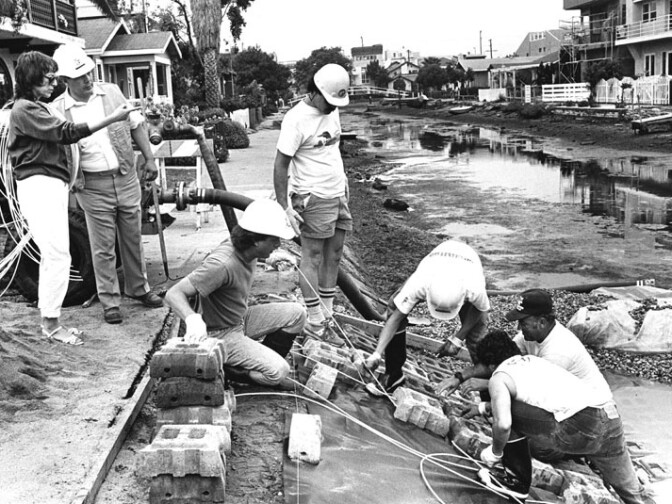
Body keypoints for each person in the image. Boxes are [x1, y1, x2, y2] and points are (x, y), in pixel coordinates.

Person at [8, 51, 138, 345]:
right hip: (39, 186)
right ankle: (51, 324)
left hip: (50, 185)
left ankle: (50, 320)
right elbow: (66, 133)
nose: (53, 83)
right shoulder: (24, 110)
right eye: (48, 78)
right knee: (56, 255)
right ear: (31, 80)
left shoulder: (35, 107)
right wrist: (112, 118)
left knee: (58, 255)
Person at [472, 330, 655, 504]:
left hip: (582, 424)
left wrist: (495, 452)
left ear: (491, 365)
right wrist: (483, 408)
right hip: (610, 418)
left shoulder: (500, 376)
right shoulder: (534, 361)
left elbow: (504, 425)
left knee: (506, 411)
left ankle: (516, 483)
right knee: (632, 491)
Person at [51, 43, 162, 325]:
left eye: (89, 72)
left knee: (132, 238)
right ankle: (110, 301)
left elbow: (136, 125)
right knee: (102, 246)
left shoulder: (111, 92)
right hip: (92, 184)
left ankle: (139, 289)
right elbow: (56, 149)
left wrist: (149, 160)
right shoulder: (58, 110)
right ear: (66, 80)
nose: (88, 79)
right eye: (80, 76)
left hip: (125, 176)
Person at [437, 288, 614, 462]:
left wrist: (484, 404)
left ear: (542, 321)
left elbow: (535, 397)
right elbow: (500, 358)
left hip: (586, 417)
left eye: (523, 322)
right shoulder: (529, 335)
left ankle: (578, 451)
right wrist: (460, 377)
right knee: (499, 393)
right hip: (564, 406)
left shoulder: (558, 352)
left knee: (534, 447)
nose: (519, 328)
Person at [164, 199, 307, 387]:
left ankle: (257, 361)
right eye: (274, 240)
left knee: (297, 314)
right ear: (256, 240)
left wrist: (271, 259)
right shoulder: (222, 264)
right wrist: (192, 319)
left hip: (238, 320)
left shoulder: (248, 250)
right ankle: (234, 370)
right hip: (220, 333)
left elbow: (248, 260)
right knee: (279, 371)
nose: (278, 244)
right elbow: (173, 294)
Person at [273, 63, 351, 346]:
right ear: (315, 92)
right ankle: (315, 318)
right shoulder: (295, 119)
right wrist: (285, 206)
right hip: (312, 196)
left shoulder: (333, 109)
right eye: (329, 101)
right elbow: (281, 165)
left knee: (335, 254)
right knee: (313, 256)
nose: (332, 107)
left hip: (337, 193)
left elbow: (333, 149)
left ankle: (327, 315)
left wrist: (344, 183)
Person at [363, 239, 490, 395]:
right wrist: (376, 353)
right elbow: (395, 319)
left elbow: (479, 309)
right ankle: (393, 374)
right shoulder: (419, 284)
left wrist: (458, 338)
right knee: (394, 306)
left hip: (468, 261)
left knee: (479, 339)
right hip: (436, 261)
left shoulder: (474, 288)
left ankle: (488, 393)